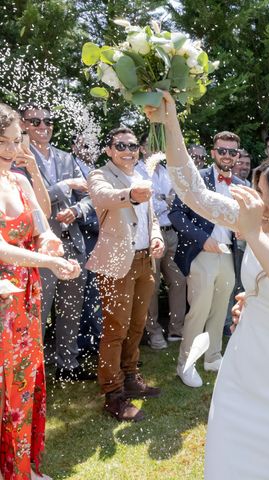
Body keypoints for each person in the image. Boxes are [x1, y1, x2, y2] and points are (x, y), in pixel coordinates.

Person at [145, 92, 269, 479]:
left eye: (266, 195)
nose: (257, 201)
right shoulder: (258, 220)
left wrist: (254, 236)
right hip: (240, 373)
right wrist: (171, 124)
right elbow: (193, 192)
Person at [0, 102, 81, 480]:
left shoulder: (18, 179)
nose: (17, 151)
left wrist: (49, 242)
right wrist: (46, 262)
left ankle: (20, 467)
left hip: (25, 295)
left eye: (20, 141)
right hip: (3, 297)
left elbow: (41, 221)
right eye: (8, 143)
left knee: (24, 378)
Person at [86, 127, 165, 422]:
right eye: (120, 145)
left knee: (137, 325)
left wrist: (155, 237)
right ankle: (114, 394)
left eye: (132, 146)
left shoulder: (139, 175)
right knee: (115, 329)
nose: (128, 150)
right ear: (109, 150)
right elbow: (105, 197)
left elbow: (151, 216)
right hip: (118, 263)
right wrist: (131, 194)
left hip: (145, 261)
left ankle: (131, 377)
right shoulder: (100, 175)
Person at [19, 103, 93, 382]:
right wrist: (64, 188)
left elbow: (88, 194)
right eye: (35, 121)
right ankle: (33, 371)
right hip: (39, 248)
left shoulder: (65, 157)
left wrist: (77, 210)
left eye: (47, 121)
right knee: (39, 309)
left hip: (72, 243)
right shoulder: (16, 158)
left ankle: (68, 363)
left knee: (71, 307)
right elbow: (28, 201)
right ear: (23, 124)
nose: (43, 126)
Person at [169, 131, 244, 387]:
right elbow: (176, 215)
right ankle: (185, 364)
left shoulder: (243, 186)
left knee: (220, 309)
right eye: (222, 150)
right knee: (199, 310)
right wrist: (202, 239)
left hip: (228, 254)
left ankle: (212, 357)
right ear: (213, 152)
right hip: (202, 252)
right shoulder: (196, 179)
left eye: (232, 152)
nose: (227, 155)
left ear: (238, 155)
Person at [136, 142, 186, 348]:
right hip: (150, 236)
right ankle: (153, 331)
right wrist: (164, 201)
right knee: (152, 286)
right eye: (151, 146)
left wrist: (167, 201)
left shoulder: (166, 172)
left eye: (160, 147)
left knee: (179, 281)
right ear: (141, 148)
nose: (157, 151)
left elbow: (175, 201)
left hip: (171, 232)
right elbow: (145, 205)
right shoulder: (137, 172)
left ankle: (177, 329)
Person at [71, 134, 102, 355]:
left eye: (93, 144)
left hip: (102, 239)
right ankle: (82, 344)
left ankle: (94, 340)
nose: (90, 147)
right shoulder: (72, 169)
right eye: (84, 144)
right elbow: (76, 207)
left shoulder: (98, 172)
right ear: (74, 146)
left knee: (96, 292)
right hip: (83, 238)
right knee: (84, 293)